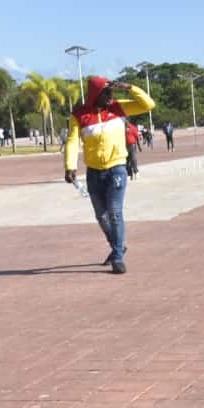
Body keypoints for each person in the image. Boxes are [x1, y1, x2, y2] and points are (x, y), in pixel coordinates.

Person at [63, 77, 154, 274]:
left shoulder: (118, 108)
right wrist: (70, 166)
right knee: (101, 216)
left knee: (114, 212)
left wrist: (129, 88)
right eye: (107, 93)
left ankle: (118, 256)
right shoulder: (79, 115)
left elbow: (148, 105)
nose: (111, 97)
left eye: (112, 93)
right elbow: (72, 142)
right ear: (96, 94)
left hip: (117, 169)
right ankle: (118, 243)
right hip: (94, 172)